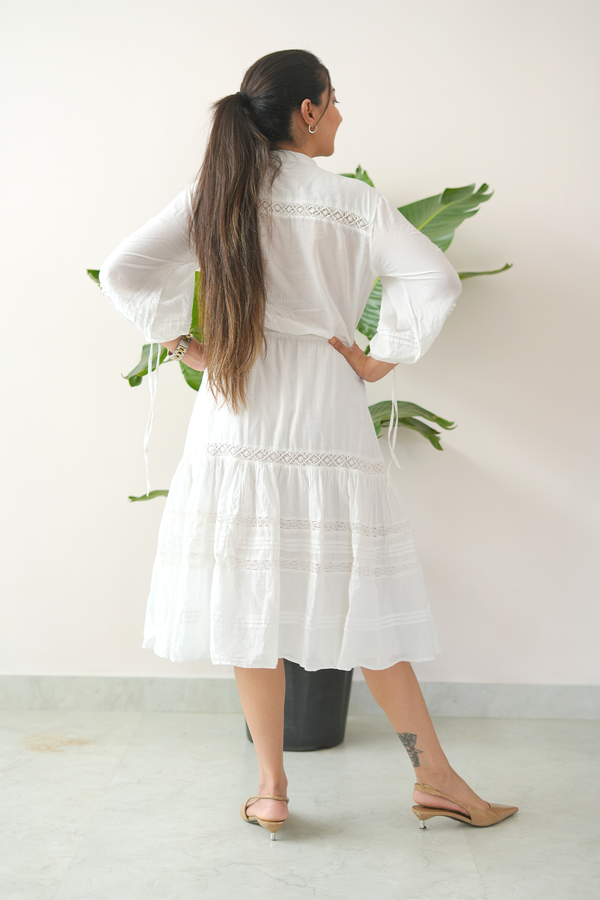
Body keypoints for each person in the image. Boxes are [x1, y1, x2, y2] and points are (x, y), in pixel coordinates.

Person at [99, 49, 518, 840]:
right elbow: (435, 281)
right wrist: (375, 356)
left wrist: (187, 346)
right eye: (335, 99)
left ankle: (271, 788)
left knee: (247, 594)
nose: (342, 114)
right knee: (361, 594)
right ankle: (436, 777)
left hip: (238, 407)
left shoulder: (218, 193)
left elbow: (124, 270)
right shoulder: (353, 204)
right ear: (309, 110)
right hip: (325, 407)